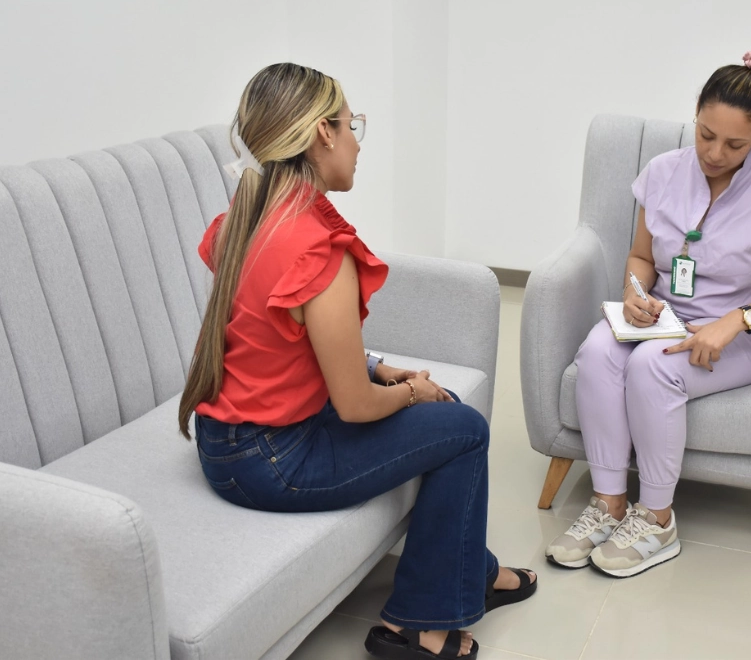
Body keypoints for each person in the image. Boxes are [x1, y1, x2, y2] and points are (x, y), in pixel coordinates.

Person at [177, 63, 536, 660]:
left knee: (446, 424)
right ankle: (420, 629)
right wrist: (411, 393)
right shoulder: (318, 251)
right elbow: (355, 407)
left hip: (222, 444)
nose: (356, 143)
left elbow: (273, 338)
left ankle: (471, 574)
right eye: (352, 126)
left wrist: (375, 366)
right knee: (464, 429)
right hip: (275, 460)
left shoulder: (244, 219)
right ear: (322, 134)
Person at [545, 49, 751, 578]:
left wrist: (737, 320)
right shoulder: (662, 171)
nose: (714, 152)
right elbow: (640, 255)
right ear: (696, 114)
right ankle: (609, 503)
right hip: (669, 318)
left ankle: (657, 520)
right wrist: (637, 290)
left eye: (734, 143)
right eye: (705, 134)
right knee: (596, 350)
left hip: (748, 332)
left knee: (652, 367)